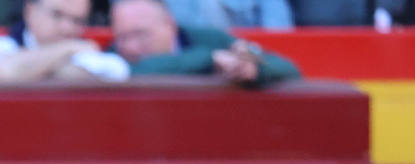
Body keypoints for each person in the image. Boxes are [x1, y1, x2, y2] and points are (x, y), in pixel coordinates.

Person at [111, 0, 300, 85]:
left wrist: (251, 67)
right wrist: (211, 58)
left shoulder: (209, 38)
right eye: (122, 37)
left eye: (140, 35)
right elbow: (132, 73)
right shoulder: (112, 56)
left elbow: (287, 68)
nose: (130, 46)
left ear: (169, 25)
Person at [0, 0, 128, 83]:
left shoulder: (93, 57)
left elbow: (117, 72)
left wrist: (29, 70)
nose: (67, 28)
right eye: (57, 15)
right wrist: (68, 48)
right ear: (29, 11)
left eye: (77, 20)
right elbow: (6, 73)